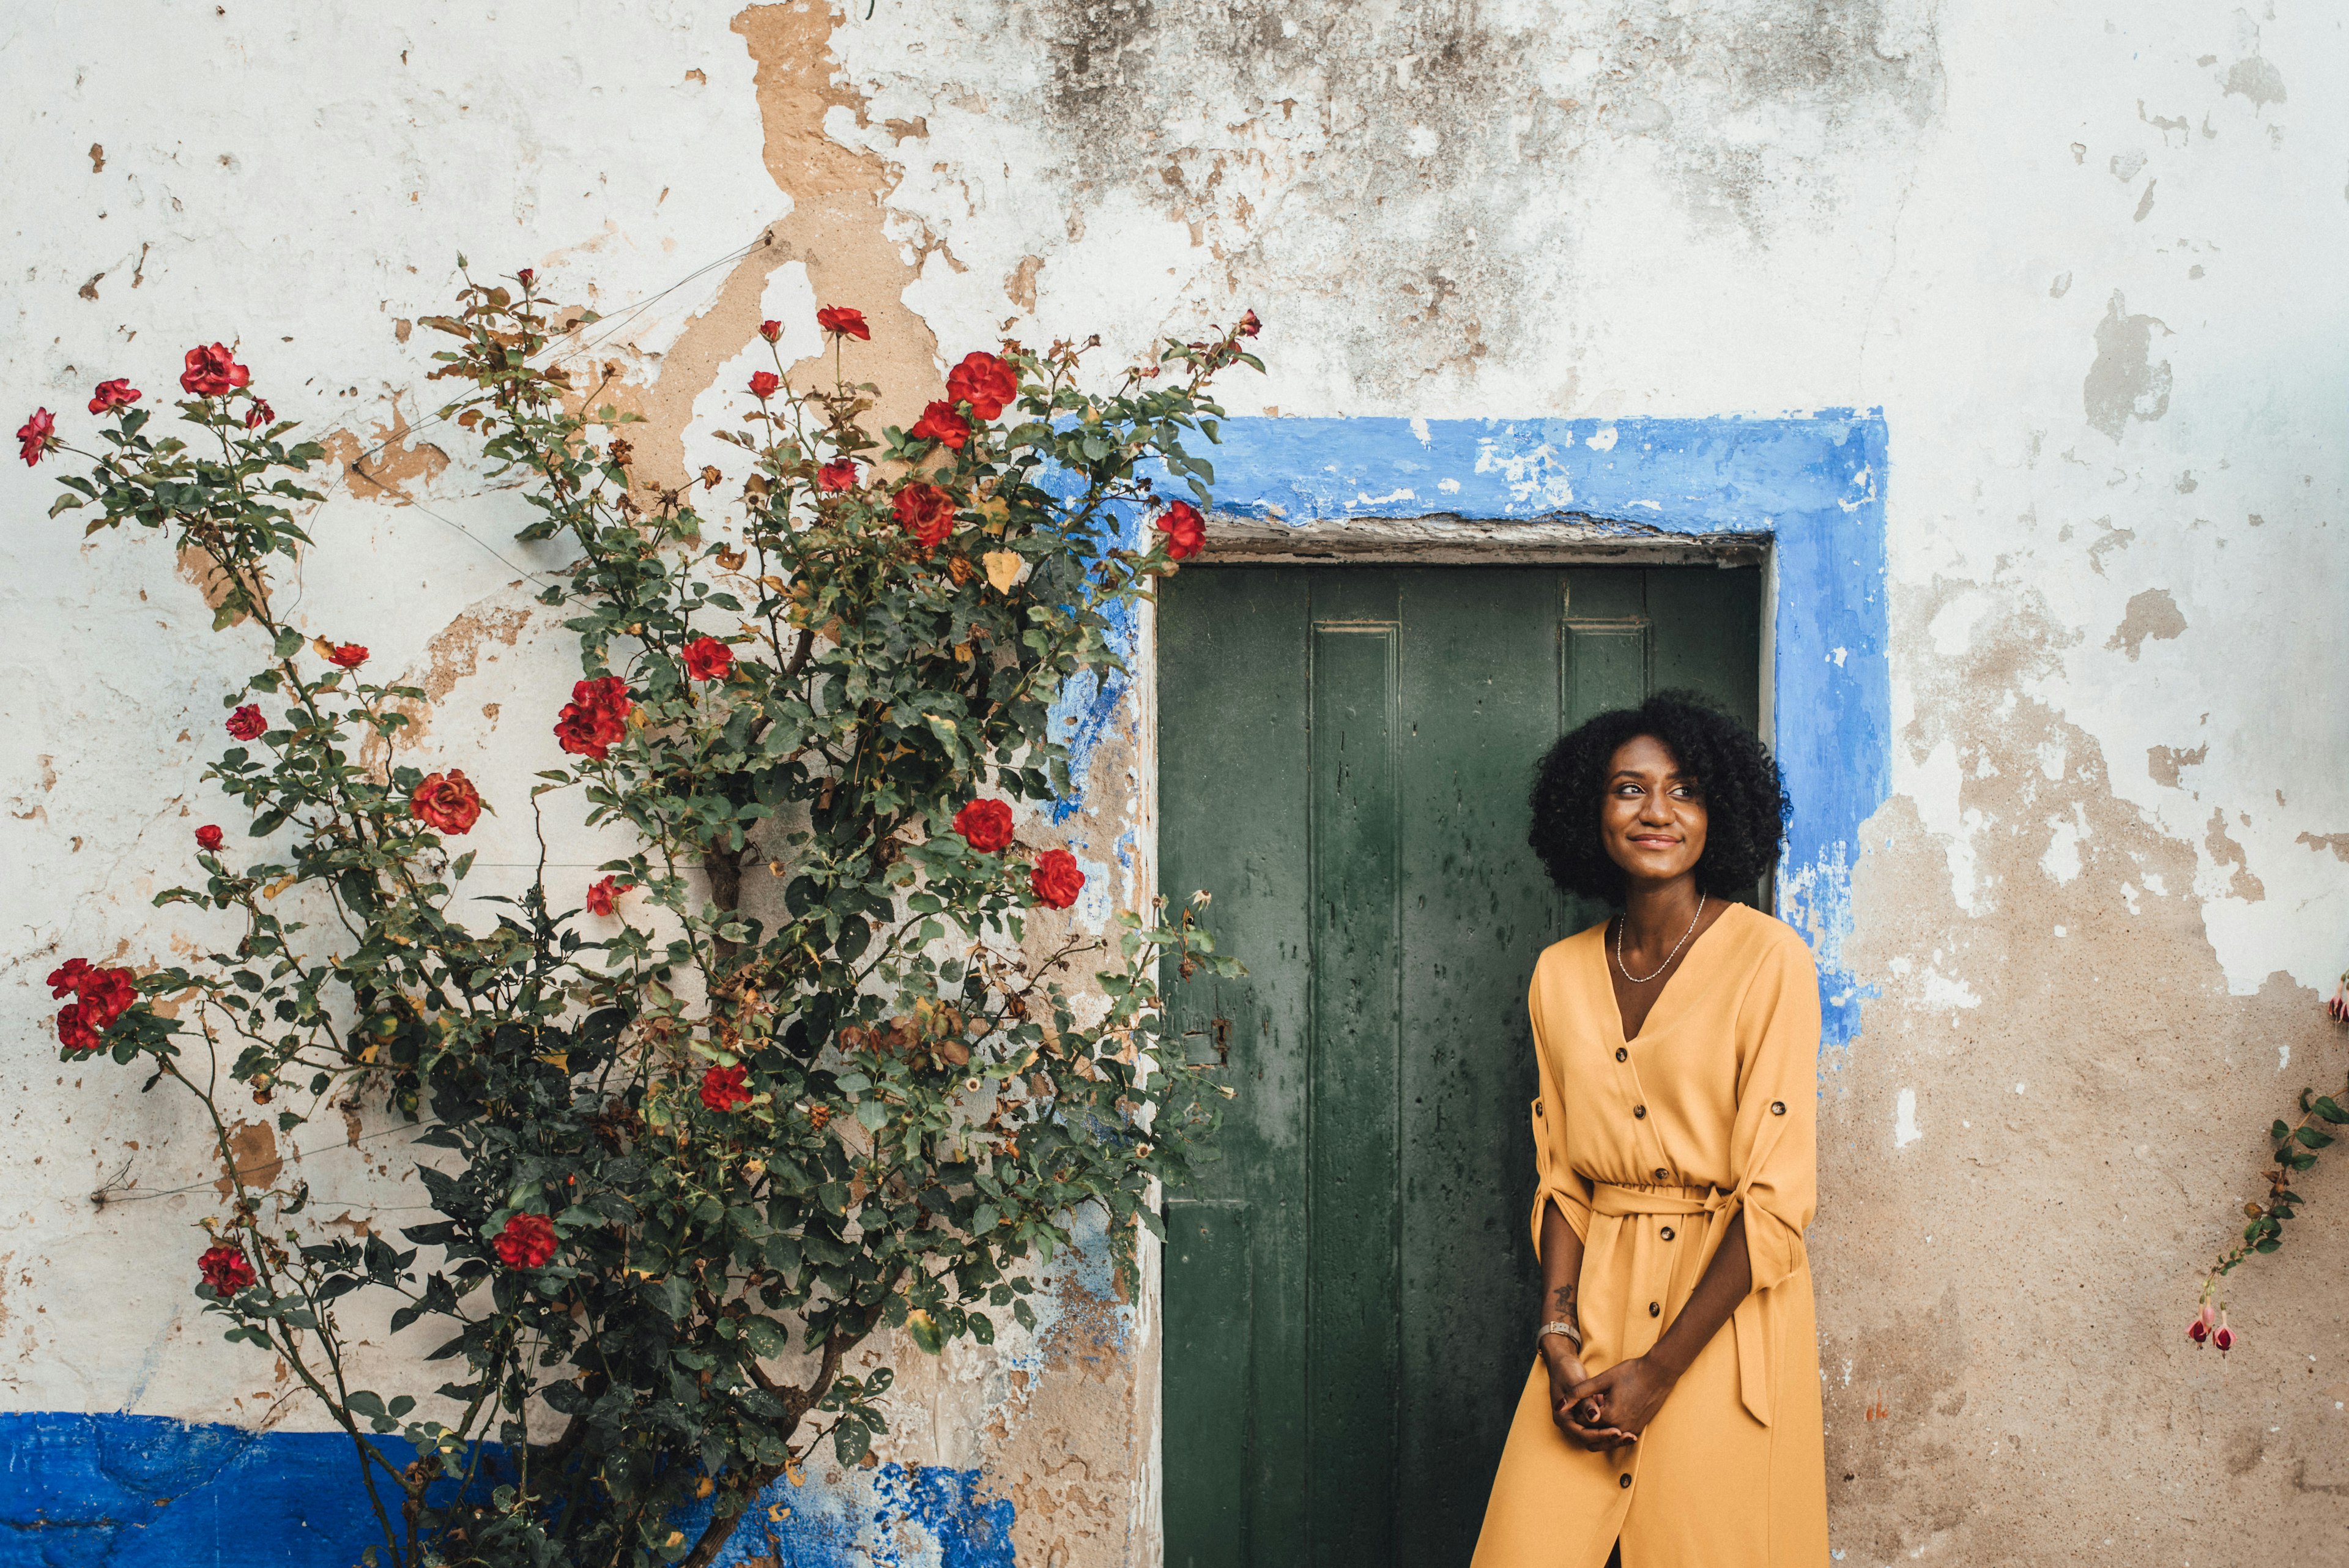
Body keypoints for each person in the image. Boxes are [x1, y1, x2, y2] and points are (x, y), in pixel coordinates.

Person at [1472, 693, 1830, 1568]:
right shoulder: (1557, 976)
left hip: (1723, 1314)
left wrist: (1662, 1368)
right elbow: (1564, 1177)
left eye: (1686, 790)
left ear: (1720, 813)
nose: (1657, 812)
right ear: (1590, 814)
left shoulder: (1770, 961)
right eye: (1629, 789)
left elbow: (1778, 1199)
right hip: (1595, 1312)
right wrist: (1558, 1338)